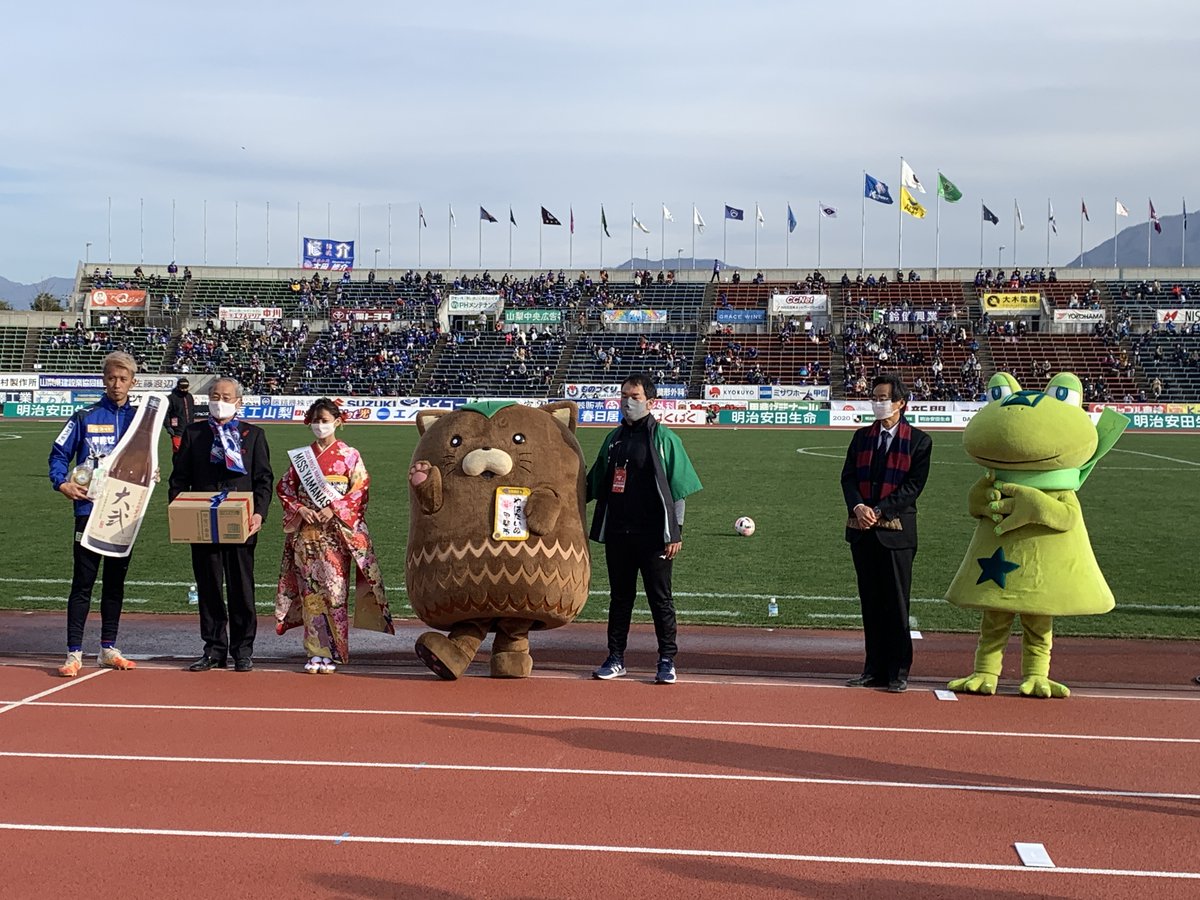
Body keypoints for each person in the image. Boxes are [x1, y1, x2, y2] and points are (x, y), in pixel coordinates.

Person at [587, 374, 702, 684]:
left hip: (654, 536)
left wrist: (675, 531)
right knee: (620, 598)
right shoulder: (613, 438)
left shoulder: (665, 439)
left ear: (651, 402)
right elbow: (593, 483)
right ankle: (615, 658)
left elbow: (678, 490)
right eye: (624, 395)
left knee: (660, 598)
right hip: (619, 534)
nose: (627, 401)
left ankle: (667, 660)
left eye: (634, 396)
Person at [273, 399, 393, 674]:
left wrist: (333, 508)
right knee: (310, 591)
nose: (320, 425)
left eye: (325, 419)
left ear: (338, 421)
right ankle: (316, 651)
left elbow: (360, 489)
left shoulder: (350, 455)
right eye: (316, 420)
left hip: (336, 534)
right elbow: (285, 488)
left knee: (336, 592)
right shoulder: (301, 458)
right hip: (307, 534)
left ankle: (337, 649)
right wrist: (301, 509)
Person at [47, 351, 143, 676]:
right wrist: (62, 484)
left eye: (123, 379)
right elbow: (58, 454)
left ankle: (107, 648)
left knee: (115, 584)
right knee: (83, 583)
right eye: (112, 378)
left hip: (124, 512)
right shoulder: (83, 416)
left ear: (133, 382)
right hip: (88, 511)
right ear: (104, 380)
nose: (117, 385)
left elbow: (147, 461)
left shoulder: (140, 420)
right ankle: (74, 653)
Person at [169, 377, 273, 672]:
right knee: (209, 586)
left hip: (241, 523)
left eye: (226, 396)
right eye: (215, 395)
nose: (220, 400)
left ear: (239, 402)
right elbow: (178, 479)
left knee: (242, 588)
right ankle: (214, 649)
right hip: (202, 523)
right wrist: (179, 509)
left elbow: (263, 478)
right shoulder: (194, 433)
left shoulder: (253, 435)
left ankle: (243, 650)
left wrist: (259, 514)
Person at [840, 373, 932, 693]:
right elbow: (848, 478)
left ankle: (898, 670)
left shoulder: (919, 441)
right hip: (862, 532)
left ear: (900, 403)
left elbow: (912, 488)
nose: (878, 403)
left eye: (883, 398)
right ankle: (873, 667)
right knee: (871, 602)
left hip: (897, 534)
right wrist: (858, 507)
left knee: (896, 602)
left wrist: (878, 511)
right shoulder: (862, 437)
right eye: (874, 398)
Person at [165, 377, 196, 454]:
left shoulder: (189, 396)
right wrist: (168, 426)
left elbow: (192, 411)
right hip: (177, 430)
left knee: (189, 452)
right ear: (178, 387)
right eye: (182, 388)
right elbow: (166, 413)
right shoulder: (171, 398)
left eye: (186, 388)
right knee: (178, 452)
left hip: (190, 429)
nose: (184, 390)